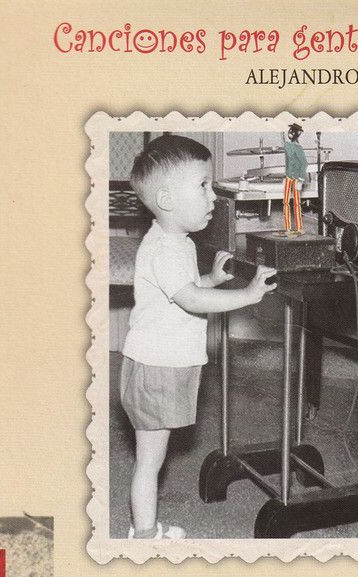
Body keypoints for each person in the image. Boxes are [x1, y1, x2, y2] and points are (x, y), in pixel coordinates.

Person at [121, 134, 277, 539]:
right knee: (149, 461)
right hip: (157, 367)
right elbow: (190, 300)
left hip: (164, 362)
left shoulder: (177, 242)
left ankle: (144, 528)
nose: (213, 197)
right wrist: (247, 295)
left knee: (152, 457)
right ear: (167, 199)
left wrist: (212, 279)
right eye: (204, 186)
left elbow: (182, 291)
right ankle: (144, 537)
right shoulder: (166, 249)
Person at [280, 123, 308, 235]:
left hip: (296, 178)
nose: (290, 134)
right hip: (288, 177)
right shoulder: (288, 146)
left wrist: (301, 179)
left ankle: (299, 227)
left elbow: (304, 164)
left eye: (292, 132)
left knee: (296, 203)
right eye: (289, 132)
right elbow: (287, 160)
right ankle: (287, 228)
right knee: (285, 202)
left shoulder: (298, 148)